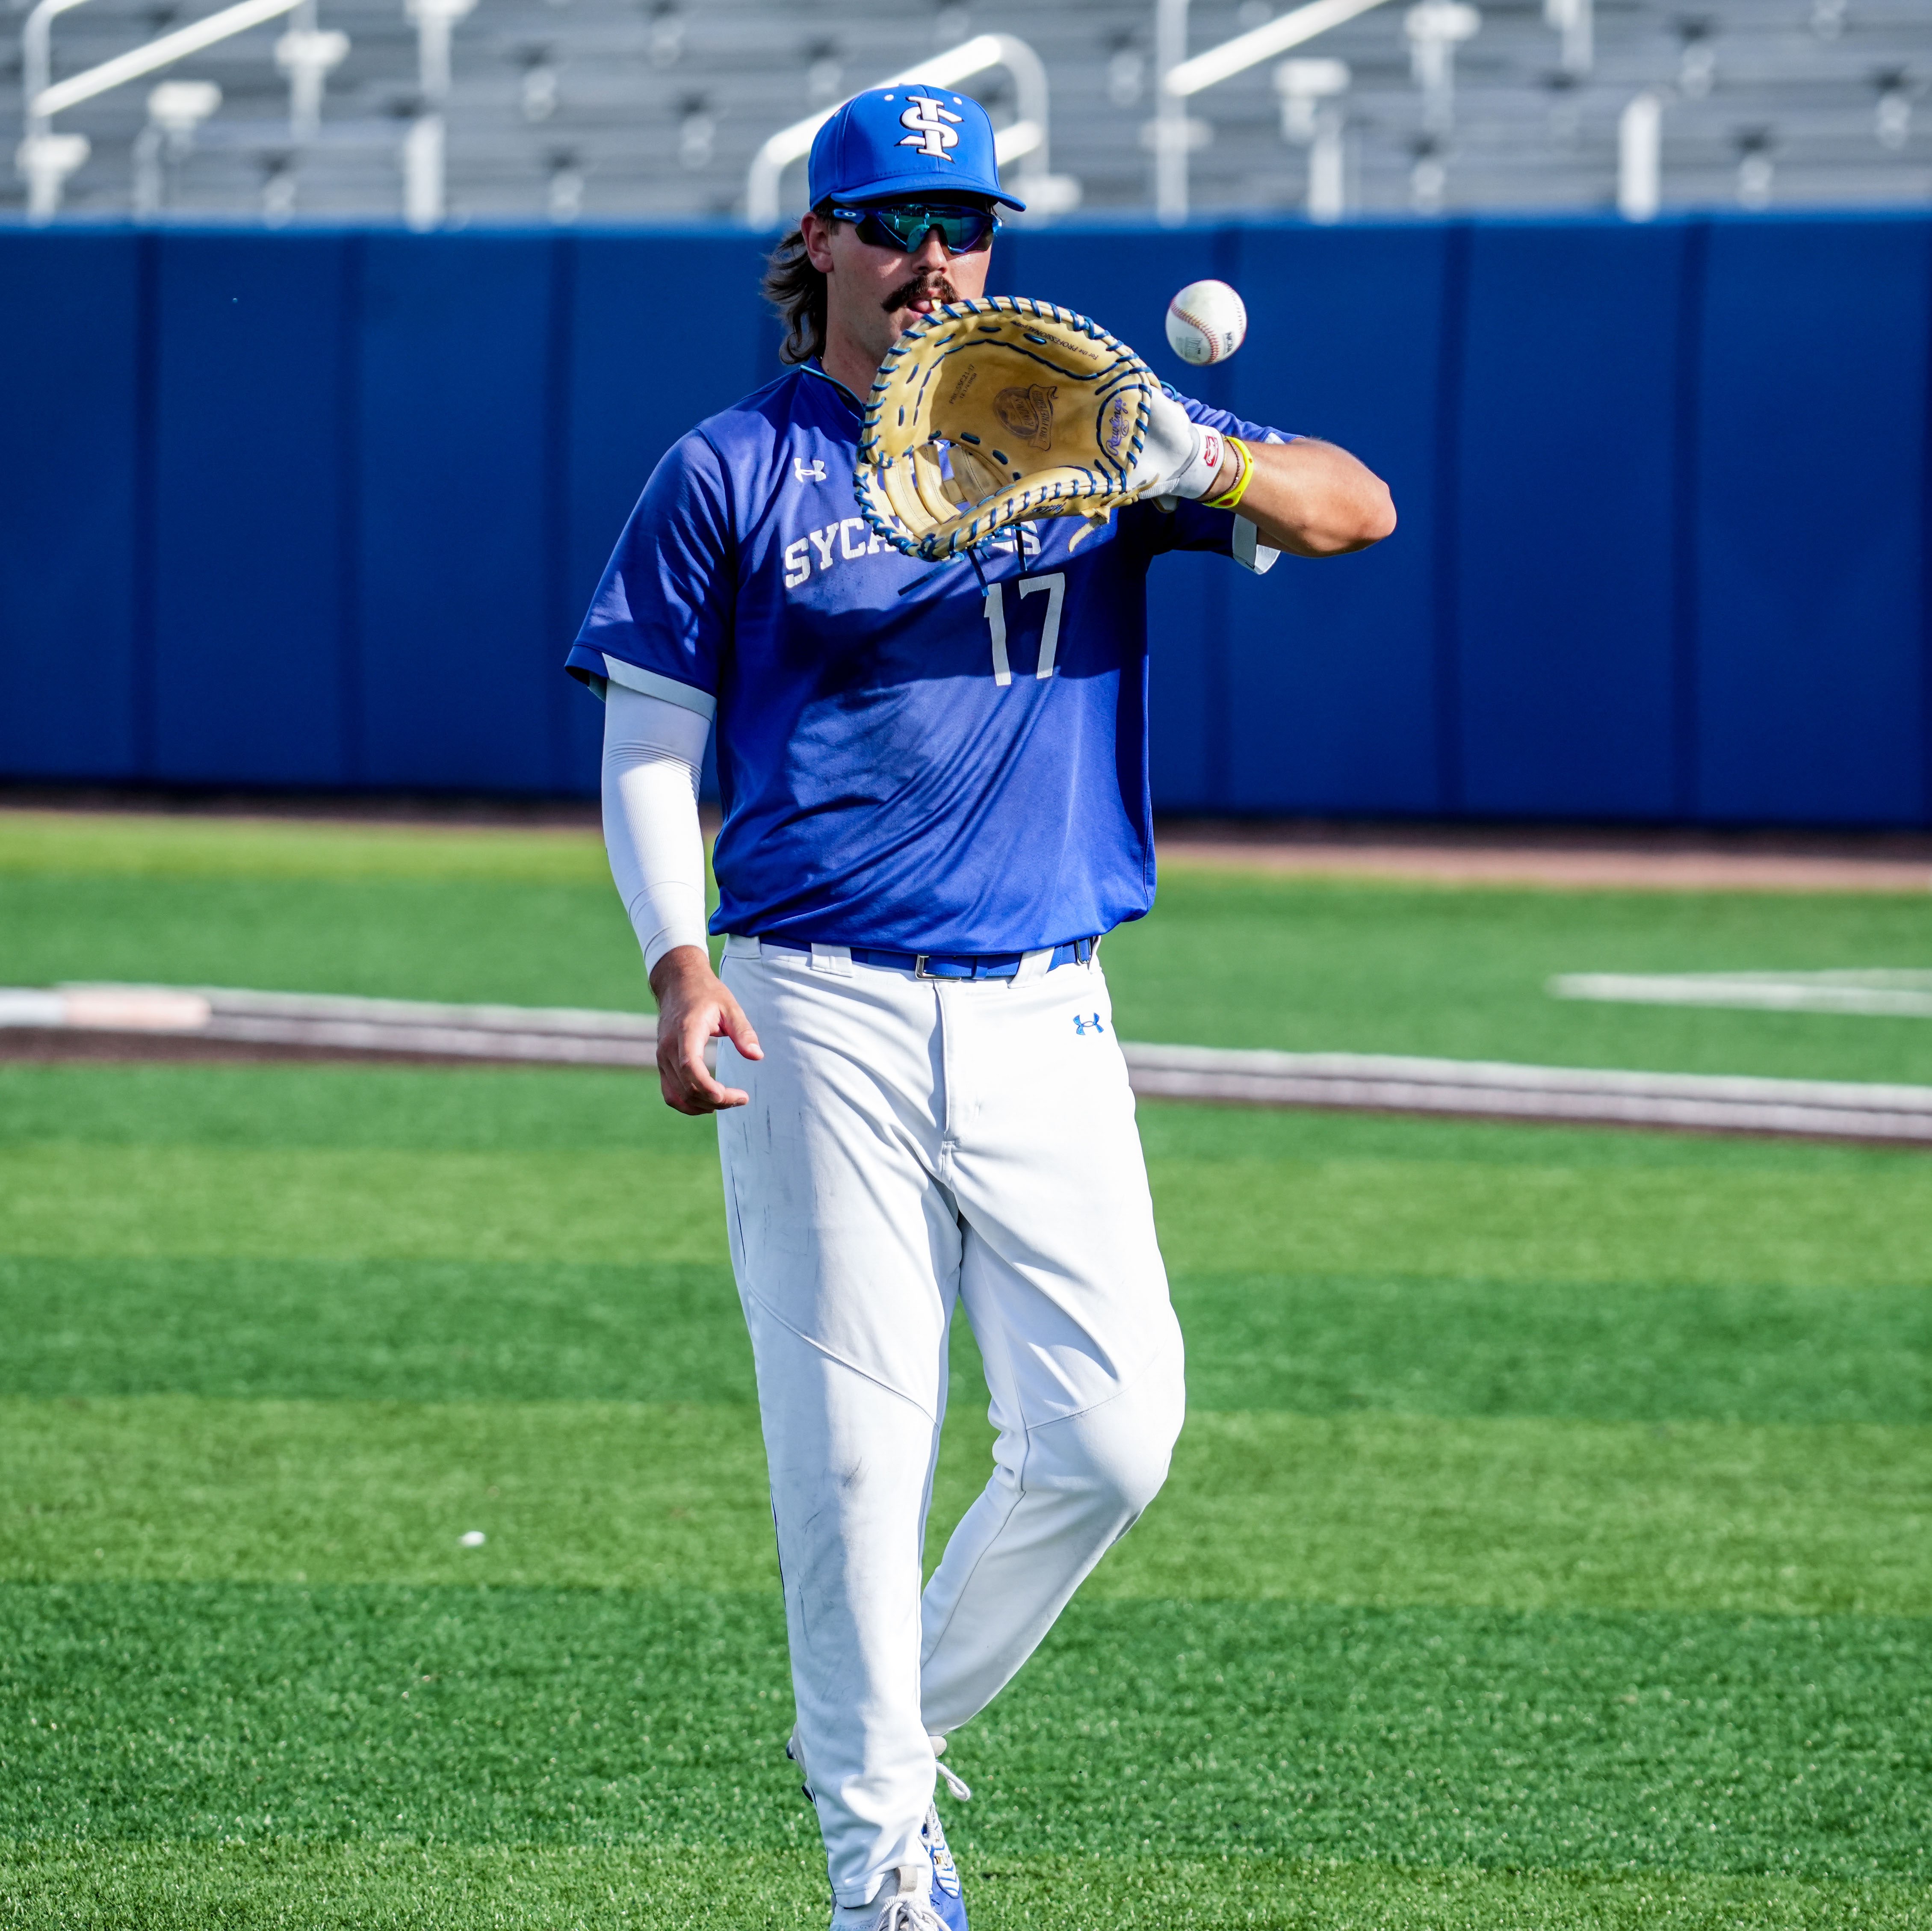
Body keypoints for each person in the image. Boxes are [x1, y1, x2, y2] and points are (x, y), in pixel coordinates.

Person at [566, 84, 1394, 1931]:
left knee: (1116, 1432)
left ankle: (877, 1730)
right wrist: (675, 961)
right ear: (818, 248)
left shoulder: (1078, 426)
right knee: (855, 1457)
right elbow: (648, 740)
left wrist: (1186, 460)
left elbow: (1357, 507)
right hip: (814, 1007)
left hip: (1045, 1008)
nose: (932, 252)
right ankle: (881, 1871)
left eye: (963, 217)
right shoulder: (732, 465)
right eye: (891, 220)